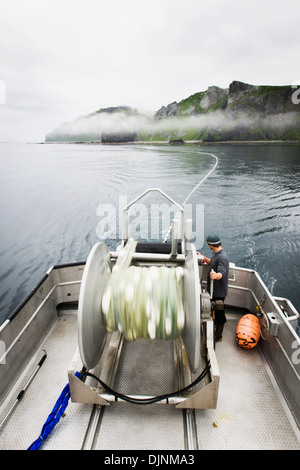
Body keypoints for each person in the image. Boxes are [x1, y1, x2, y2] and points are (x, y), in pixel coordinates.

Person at [201, 233, 229, 342]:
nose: (208, 246)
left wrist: (215, 275)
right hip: (213, 290)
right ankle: (213, 325)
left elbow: (221, 273)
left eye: (208, 244)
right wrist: (203, 258)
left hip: (218, 292)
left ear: (211, 245)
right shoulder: (216, 253)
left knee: (219, 314)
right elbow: (212, 263)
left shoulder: (222, 258)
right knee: (214, 311)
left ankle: (218, 336)